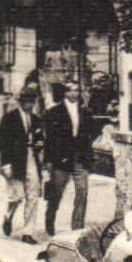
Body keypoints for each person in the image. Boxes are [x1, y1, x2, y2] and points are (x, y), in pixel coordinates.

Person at [41, 80, 97, 234]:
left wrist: (89, 155)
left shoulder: (85, 111)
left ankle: (77, 227)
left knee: (82, 190)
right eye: (70, 90)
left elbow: (89, 133)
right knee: (57, 191)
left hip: (80, 157)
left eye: (76, 90)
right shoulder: (54, 112)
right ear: (65, 92)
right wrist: (49, 161)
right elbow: (49, 139)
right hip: (61, 158)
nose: (74, 93)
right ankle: (50, 216)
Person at [0, 88, 46, 242]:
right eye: (28, 102)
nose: (30, 105)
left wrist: (40, 143)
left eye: (32, 102)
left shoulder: (36, 119)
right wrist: (5, 164)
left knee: (33, 195)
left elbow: (40, 138)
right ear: (21, 102)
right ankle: (8, 214)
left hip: (32, 159)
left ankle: (28, 233)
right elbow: (2, 143)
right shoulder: (9, 118)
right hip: (15, 160)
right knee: (17, 196)